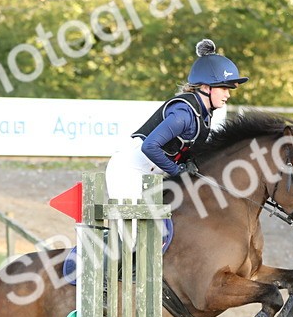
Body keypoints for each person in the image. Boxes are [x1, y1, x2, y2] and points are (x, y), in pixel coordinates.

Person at [106, 38, 248, 200]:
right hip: (128, 169)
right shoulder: (184, 113)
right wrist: (178, 171)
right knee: (136, 217)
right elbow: (150, 146)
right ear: (205, 87)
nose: (227, 95)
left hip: (154, 174)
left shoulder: (205, 116)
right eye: (223, 88)